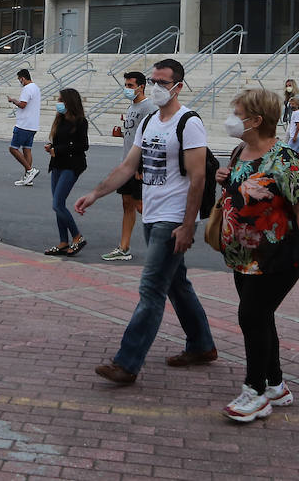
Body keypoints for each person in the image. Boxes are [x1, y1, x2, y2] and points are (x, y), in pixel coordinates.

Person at [75, 59, 215, 385]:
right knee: (177, 284)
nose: (156, 87)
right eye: (153, 80)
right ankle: (202, 345)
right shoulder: (150, 120)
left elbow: (198, 178)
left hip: (173, 218)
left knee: (151, 289)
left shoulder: (189, 122)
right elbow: (127, 167)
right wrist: (95, 194)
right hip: (151, 215)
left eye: (163, 82)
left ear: (179, 86)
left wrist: (187, 225)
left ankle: (127, 363)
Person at [213, 88, 299, 422]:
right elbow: (241, 192)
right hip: (242, 256)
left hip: (276, 257)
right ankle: (276, 385)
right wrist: (225, 177)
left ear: (257, 120)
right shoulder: (240, 151)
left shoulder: (284, 159)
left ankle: (255, 392)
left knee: (250, 316)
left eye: (238, 113)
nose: (232, 119)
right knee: (261, 318)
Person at [102, 72, 158, 262]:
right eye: (126, 85)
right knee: (127, 205)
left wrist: (140, 167)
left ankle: (168, 241)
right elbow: (134, 134)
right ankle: (123, 247)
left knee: (142, 206)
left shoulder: (149, 107)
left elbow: (149, 138)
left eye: (131, 85)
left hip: (137, 165)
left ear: (141, 87)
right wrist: (121, 134)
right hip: (127, 163)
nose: (127, 89)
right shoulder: (132, 106)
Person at [42, 88, 89, 256]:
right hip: (57, 164)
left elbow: (83, 145)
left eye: (61, 100)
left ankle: (77, 237)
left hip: (71, 165)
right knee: (57, 205)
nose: (59, 103)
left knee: (58, 204)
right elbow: (60, 142)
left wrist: (59, 149)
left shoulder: (80, 121)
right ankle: (63, 242)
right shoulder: (60, 120)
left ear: (70, 102)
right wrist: (51, 147)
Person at [8, 69, 42, 186]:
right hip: (33, 125)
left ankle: (30, 170)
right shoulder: (36, 87)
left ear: (23, 78)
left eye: (19, 79)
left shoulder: (27, 89)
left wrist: (13, 100)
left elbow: (23, 104)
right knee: (27, 149)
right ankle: (28, 178)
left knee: (13, 148)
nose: (19, 82)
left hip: (24, 124)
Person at [286, 94, 299, 163]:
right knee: (298, 152)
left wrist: (295, 136)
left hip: (296, 136)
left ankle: (291, 167)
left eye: (293, 104)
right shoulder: (294, 112)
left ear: (297, 105)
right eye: (290, 104)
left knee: (288, 152)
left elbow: (298, 125)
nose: (291, 105)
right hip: (296, 135)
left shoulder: (297, 113)